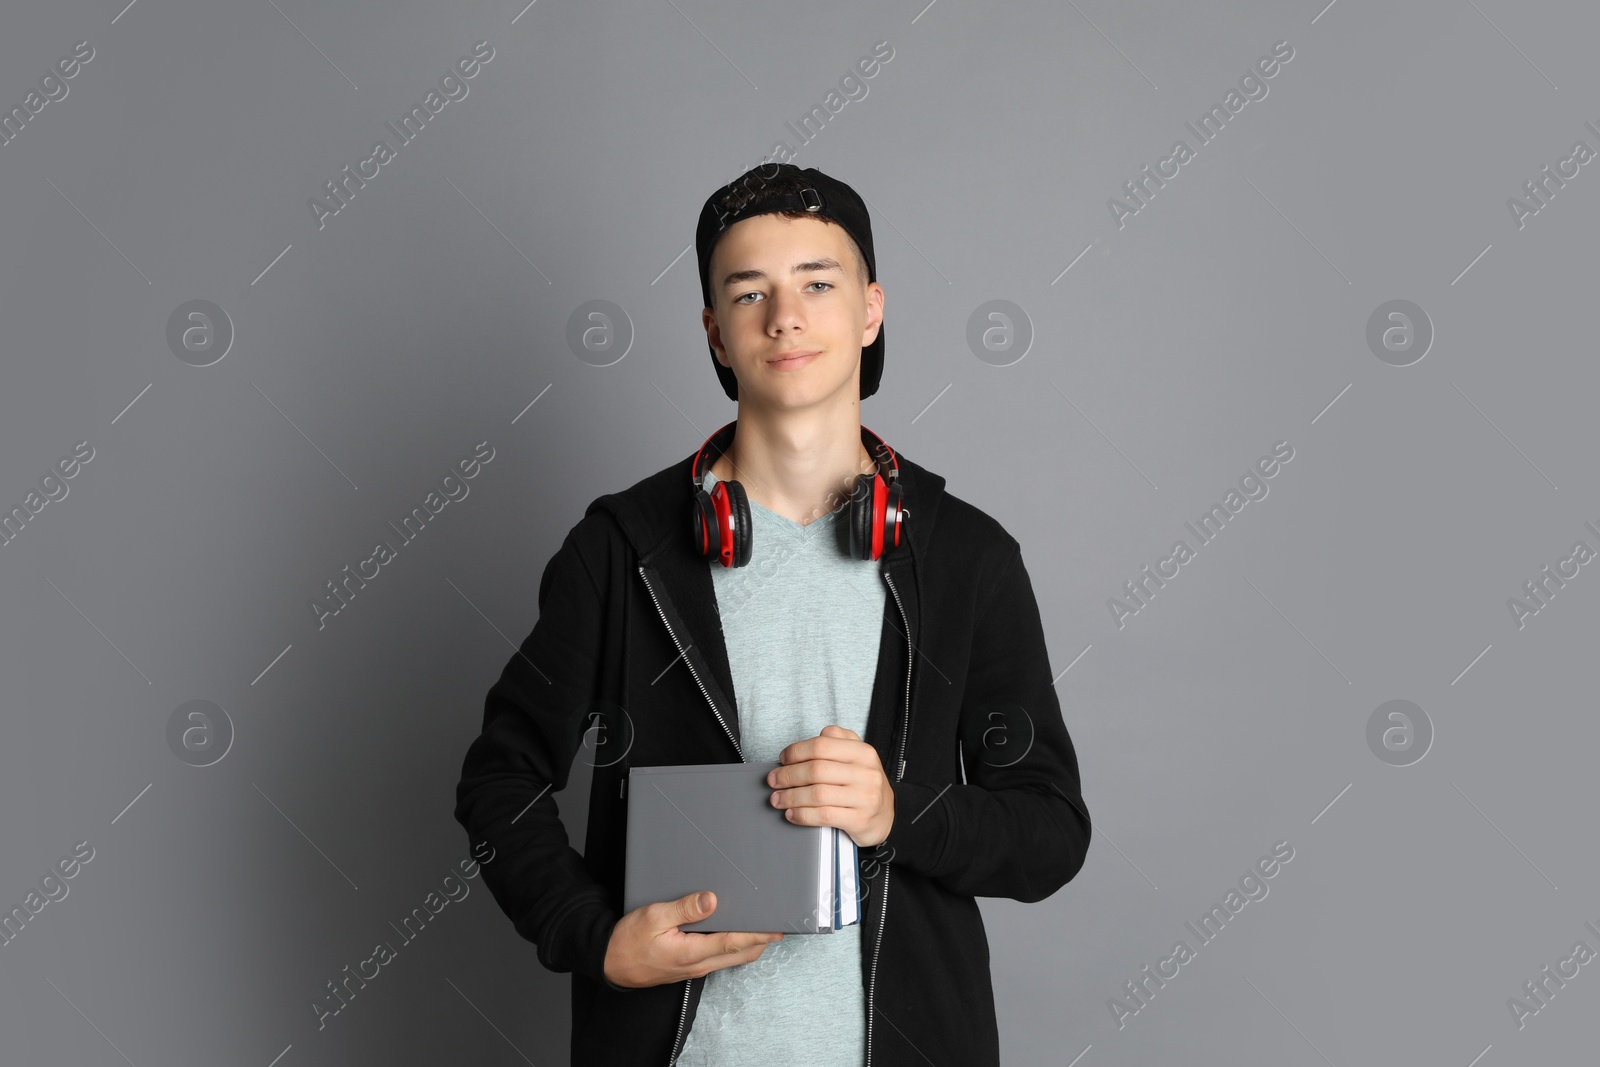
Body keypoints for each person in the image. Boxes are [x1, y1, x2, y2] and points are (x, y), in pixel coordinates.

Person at [453, 162, 1092, 1066]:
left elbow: (1050, 831)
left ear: (871, 309)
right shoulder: (622, 550)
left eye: (816, 284)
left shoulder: (969, 559)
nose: (783, 317)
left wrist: (895, 811)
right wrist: (592, 937)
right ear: (715, 335)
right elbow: (499, 778)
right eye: (748, 292)